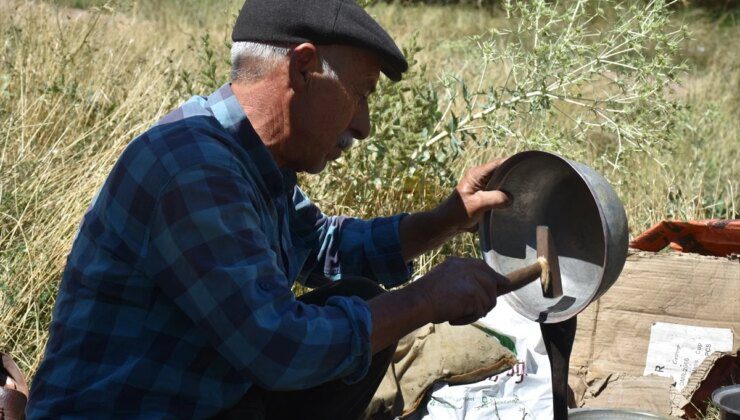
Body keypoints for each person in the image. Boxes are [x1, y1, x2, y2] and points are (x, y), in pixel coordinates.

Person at [27, 0, 512, 418]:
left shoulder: (252, 159)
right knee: (366, 318)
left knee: (360, 299)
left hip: (203, 399)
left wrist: (449, 218)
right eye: (361, 94)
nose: (363, 126)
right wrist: (422, 300)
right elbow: (279, 349)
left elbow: (325, 246)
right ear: (303, 68)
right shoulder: (193, 168)